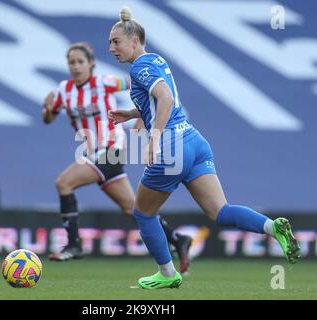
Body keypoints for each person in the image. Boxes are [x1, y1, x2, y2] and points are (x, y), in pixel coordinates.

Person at [108, 7, 301, 289]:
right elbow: (163, 98)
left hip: (171, 146)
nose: (111, 47)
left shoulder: (138, 67)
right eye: (110, 42)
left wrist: (153, 138)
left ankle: (167, 273)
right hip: (194, 140)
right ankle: (273, 228)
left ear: (134, 40)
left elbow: (165, 99)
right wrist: (132, 114)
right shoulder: (156, 60)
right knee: (220, 211)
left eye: (116, 41)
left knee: (143, 213)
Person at [42, 42, 192, 273]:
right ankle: (177, 238)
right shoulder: (63, 90)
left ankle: (74, 244)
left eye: (80, 62)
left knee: (64, 182)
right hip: (92, 154)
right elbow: (48, 119)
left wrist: (142, 114)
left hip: (111, 148)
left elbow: (139, 84)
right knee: (134, 209)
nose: (76, 66)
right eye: (71, 62)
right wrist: (48, 110)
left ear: (91, 63)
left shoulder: (104, 82)